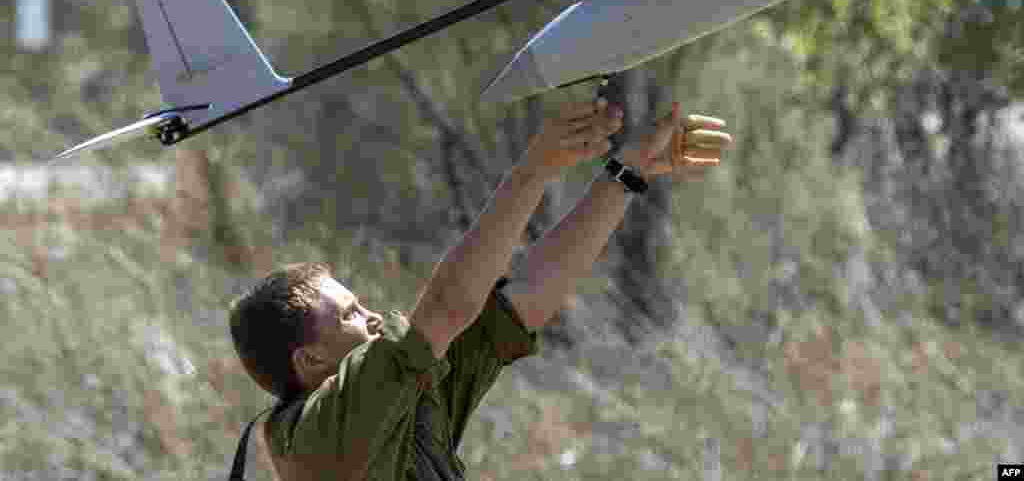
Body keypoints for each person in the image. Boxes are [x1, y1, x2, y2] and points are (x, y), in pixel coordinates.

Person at [228, 98, 732, 481]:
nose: (374, 318)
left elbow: (526, 298)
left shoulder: (399, 395)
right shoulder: (316, 437)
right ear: (310, 361)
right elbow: (446, 307)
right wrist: (535, 168)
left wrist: (628, 172)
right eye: (349, 315)